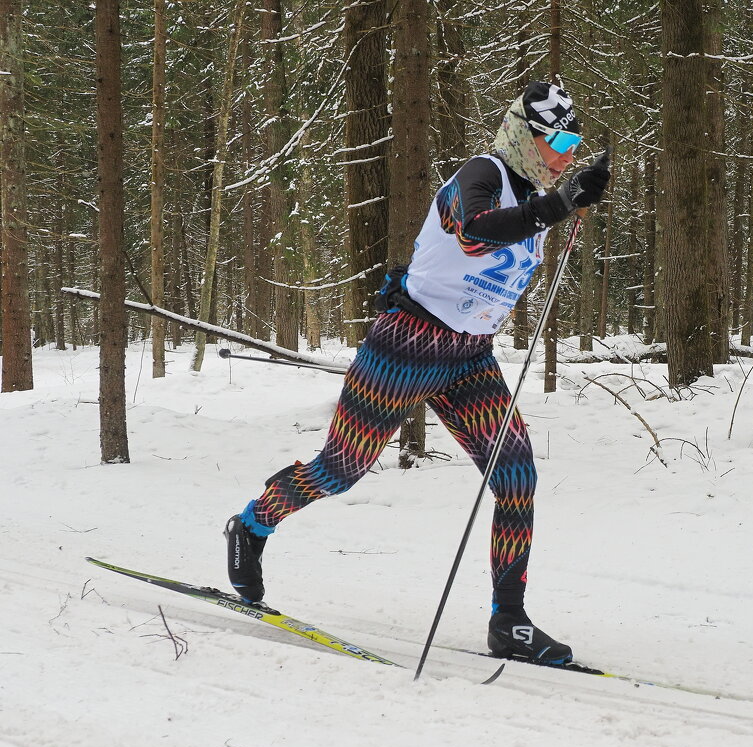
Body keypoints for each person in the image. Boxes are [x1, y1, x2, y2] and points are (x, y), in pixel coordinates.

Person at [224, 81, 610, 665]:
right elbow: (474, 226)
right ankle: (251, 526)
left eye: (575, 142)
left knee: (516, 472)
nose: (568, 154)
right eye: (558, 140)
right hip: (407, 342)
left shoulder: (536, 197)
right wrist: (555, 205)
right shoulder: (481, 173)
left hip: (468, 356)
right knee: (342, 468)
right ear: (525, 137)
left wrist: (567, 201)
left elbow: (520, 230)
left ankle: (509, 619)